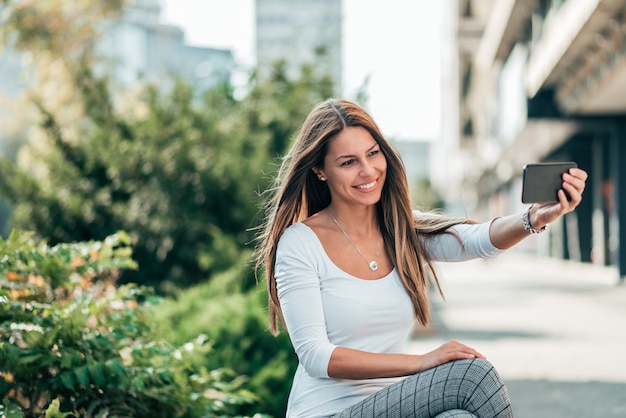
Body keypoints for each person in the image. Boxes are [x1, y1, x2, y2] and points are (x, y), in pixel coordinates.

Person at [253, 98, 587, 418]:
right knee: (471, 376)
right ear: (320, 171)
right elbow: (315, 356)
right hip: (327, 411)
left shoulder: (400, 231)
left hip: (396, 404)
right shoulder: (300, 243)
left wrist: (536, 217)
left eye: (373, 154)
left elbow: (476, 239)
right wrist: (420, 361)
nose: (368, 170)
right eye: (348, 162)